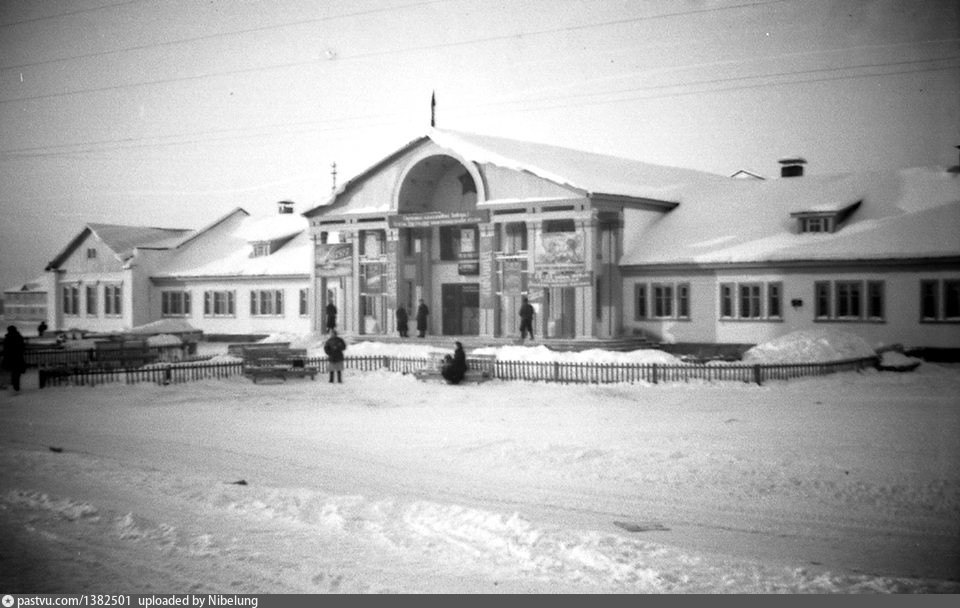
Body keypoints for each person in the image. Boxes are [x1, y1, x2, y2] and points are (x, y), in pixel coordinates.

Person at [2, 325, 27, 392]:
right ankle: (16, 385)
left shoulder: (7, 338)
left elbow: (5, 349)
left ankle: (14, 385)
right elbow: (22, 347)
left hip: (10, 358)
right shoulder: (18, 337)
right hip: (18, 357)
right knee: (17, 372)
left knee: (13, 372)